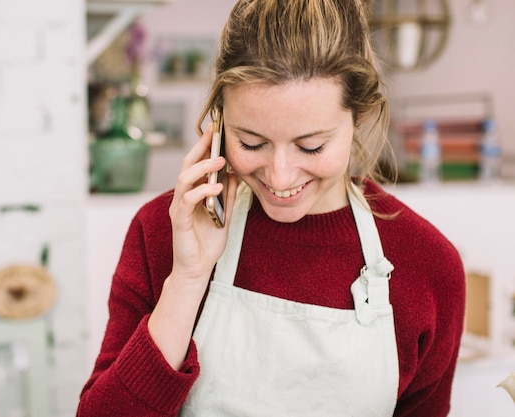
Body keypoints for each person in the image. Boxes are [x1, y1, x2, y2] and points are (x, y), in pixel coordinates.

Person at [76, 0, 466, 416]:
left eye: (311, 145)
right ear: (219, 121)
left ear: (360, 117)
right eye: (251, 143)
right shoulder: (163, 232)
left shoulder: (428, 266)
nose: (280, 177)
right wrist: (187, 279)